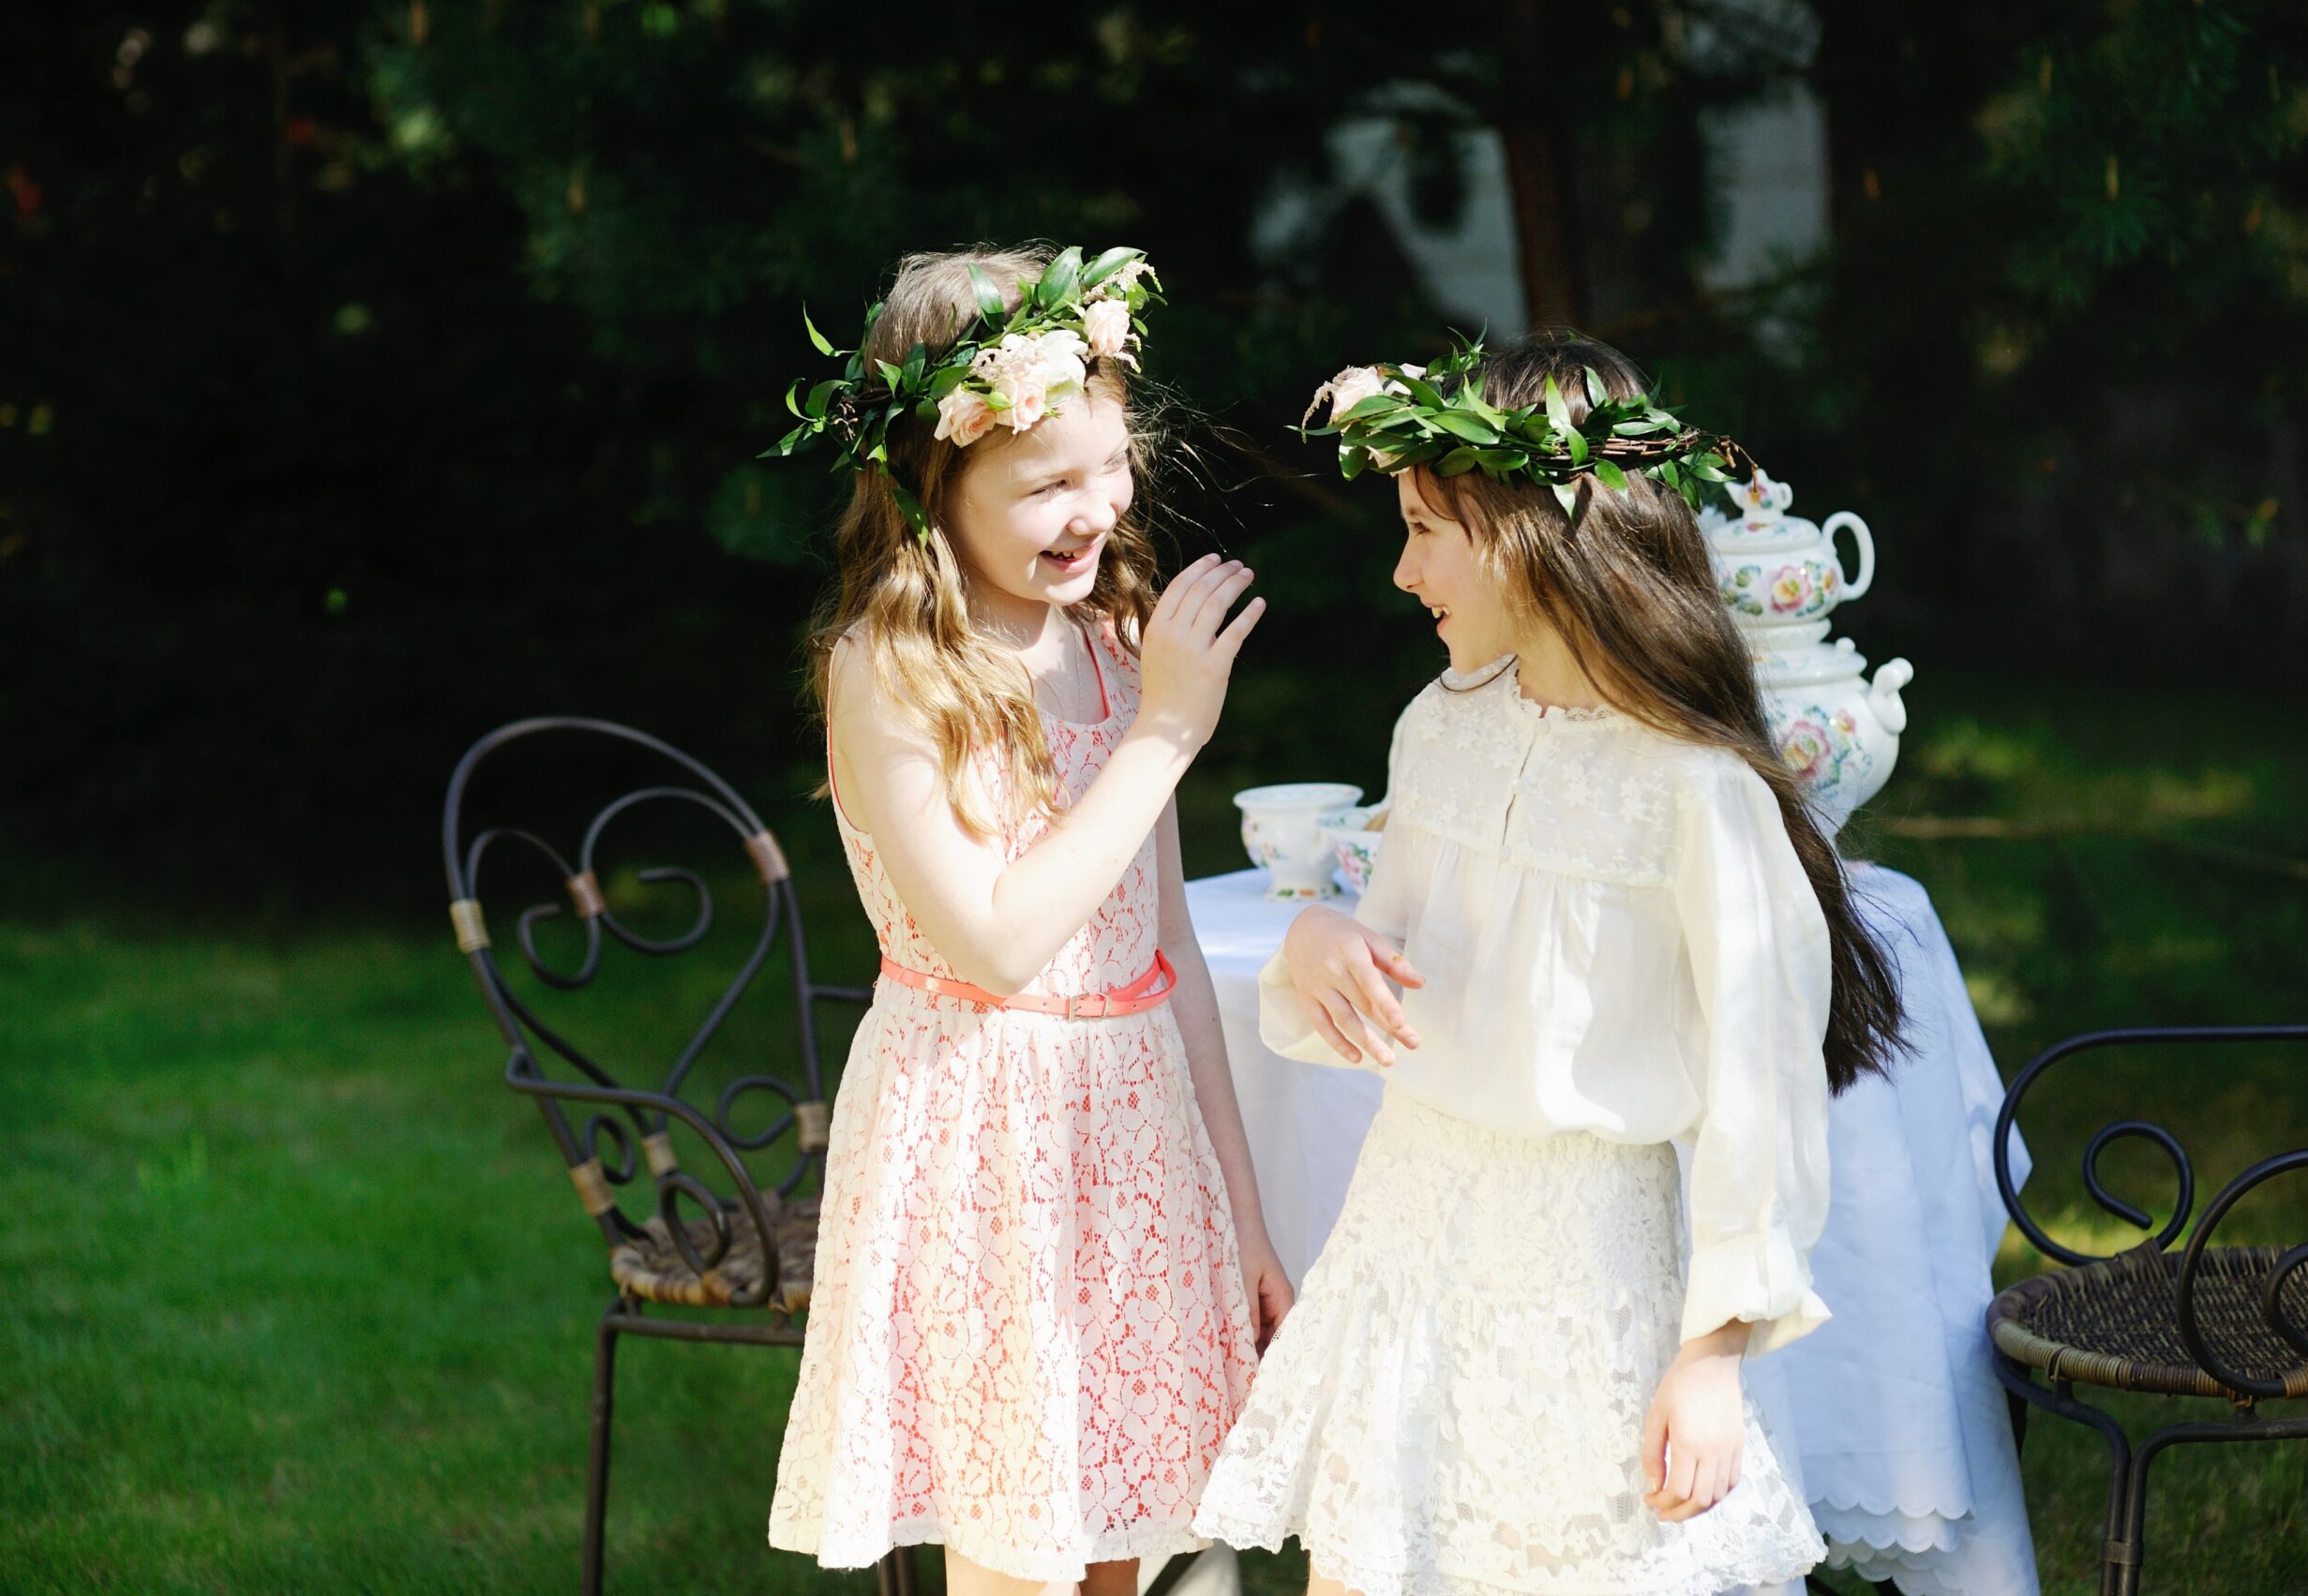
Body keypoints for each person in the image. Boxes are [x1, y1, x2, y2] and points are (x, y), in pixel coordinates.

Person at [1192, 335, 1906, 1596]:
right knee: (1367, 1568)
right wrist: (1316, 945)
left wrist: (1715, 1350)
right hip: (1409, 1232)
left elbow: (1765, 1086)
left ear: (1535, 529)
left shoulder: (1697, 793)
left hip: (1587, 1269)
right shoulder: (1439, 728)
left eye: (1427, 528)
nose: (1404, 568)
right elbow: (1397, 963)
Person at [764, 244, 1293, 1596]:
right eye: (1049, 483)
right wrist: (1167, 733)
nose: (1097, 509)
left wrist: (1239, 1216)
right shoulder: (890, 671)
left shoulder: (1115, 643)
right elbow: (998, 944)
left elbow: (1162, 950)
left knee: (1127, 1542)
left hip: (1134, 1142)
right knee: (1018, 1558)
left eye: (1109, 468)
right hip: (984, 1152)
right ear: (933, 480)